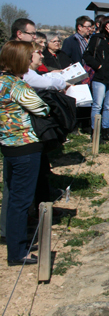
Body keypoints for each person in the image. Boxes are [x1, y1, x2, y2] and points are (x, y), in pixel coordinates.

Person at [0, 41, 51, 266]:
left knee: (13, 198)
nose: (34, 59)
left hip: (8, 145)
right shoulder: (17, 86)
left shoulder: (1, 81)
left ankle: (15, 243)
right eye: (31, 56)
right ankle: (18, 253)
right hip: (25, 146)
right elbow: (42, 108)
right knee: (21, 201)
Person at [83, 15, 109, 143]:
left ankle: (105, 131)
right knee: (97, 105)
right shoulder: (97, 38)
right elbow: (87, 55)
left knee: (108, 106)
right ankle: (95, 132)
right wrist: (98, 66)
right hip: (100, 77)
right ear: (106, 25)